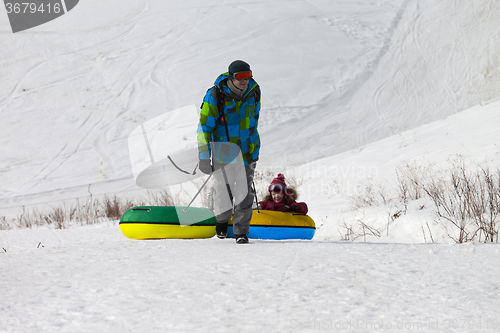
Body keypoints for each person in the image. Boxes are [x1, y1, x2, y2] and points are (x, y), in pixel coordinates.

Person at [197, 60, 261, 244]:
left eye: (248, 76)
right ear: (231, 77)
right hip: (223, 153)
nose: (245, 80)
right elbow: (204, 128)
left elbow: (254, 119)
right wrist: (203, 157)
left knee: (244, 192)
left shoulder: (254, 92)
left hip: (247, 151)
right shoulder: (216, 95)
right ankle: (222, 221)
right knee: (224, 191)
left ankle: (241, 231)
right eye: (240, 77)